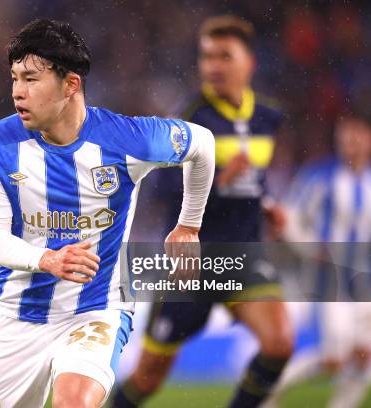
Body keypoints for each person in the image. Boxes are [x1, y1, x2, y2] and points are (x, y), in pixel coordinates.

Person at [0, 19, 215, 408]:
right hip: (17, 315)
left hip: (97, 307)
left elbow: (202, 143)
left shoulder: (126, 139)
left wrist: (189, 224)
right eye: (14, 78)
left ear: (71, 84)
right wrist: (47, 259)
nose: (18, 91)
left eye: (31, 79)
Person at [113, 15, 293, 408]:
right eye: (206, 56)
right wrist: (217, 182)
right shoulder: (189, 119)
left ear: (250, 63)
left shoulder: (268, 117)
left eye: (225, 56)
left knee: (279, 344)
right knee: (147, 377)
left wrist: (268, 206)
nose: (213, 66)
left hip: (245, 256)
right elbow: (159, 187)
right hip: (189, 266)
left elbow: (255, 179)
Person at [264, 100, 371, 408]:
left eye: (358, 133)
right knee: (333, 359)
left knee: (364, 357)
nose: (351, 139)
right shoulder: (320, 177)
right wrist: (311, 247)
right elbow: (286, 218)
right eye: (345, 132)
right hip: (329, 280)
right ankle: (267, 388)